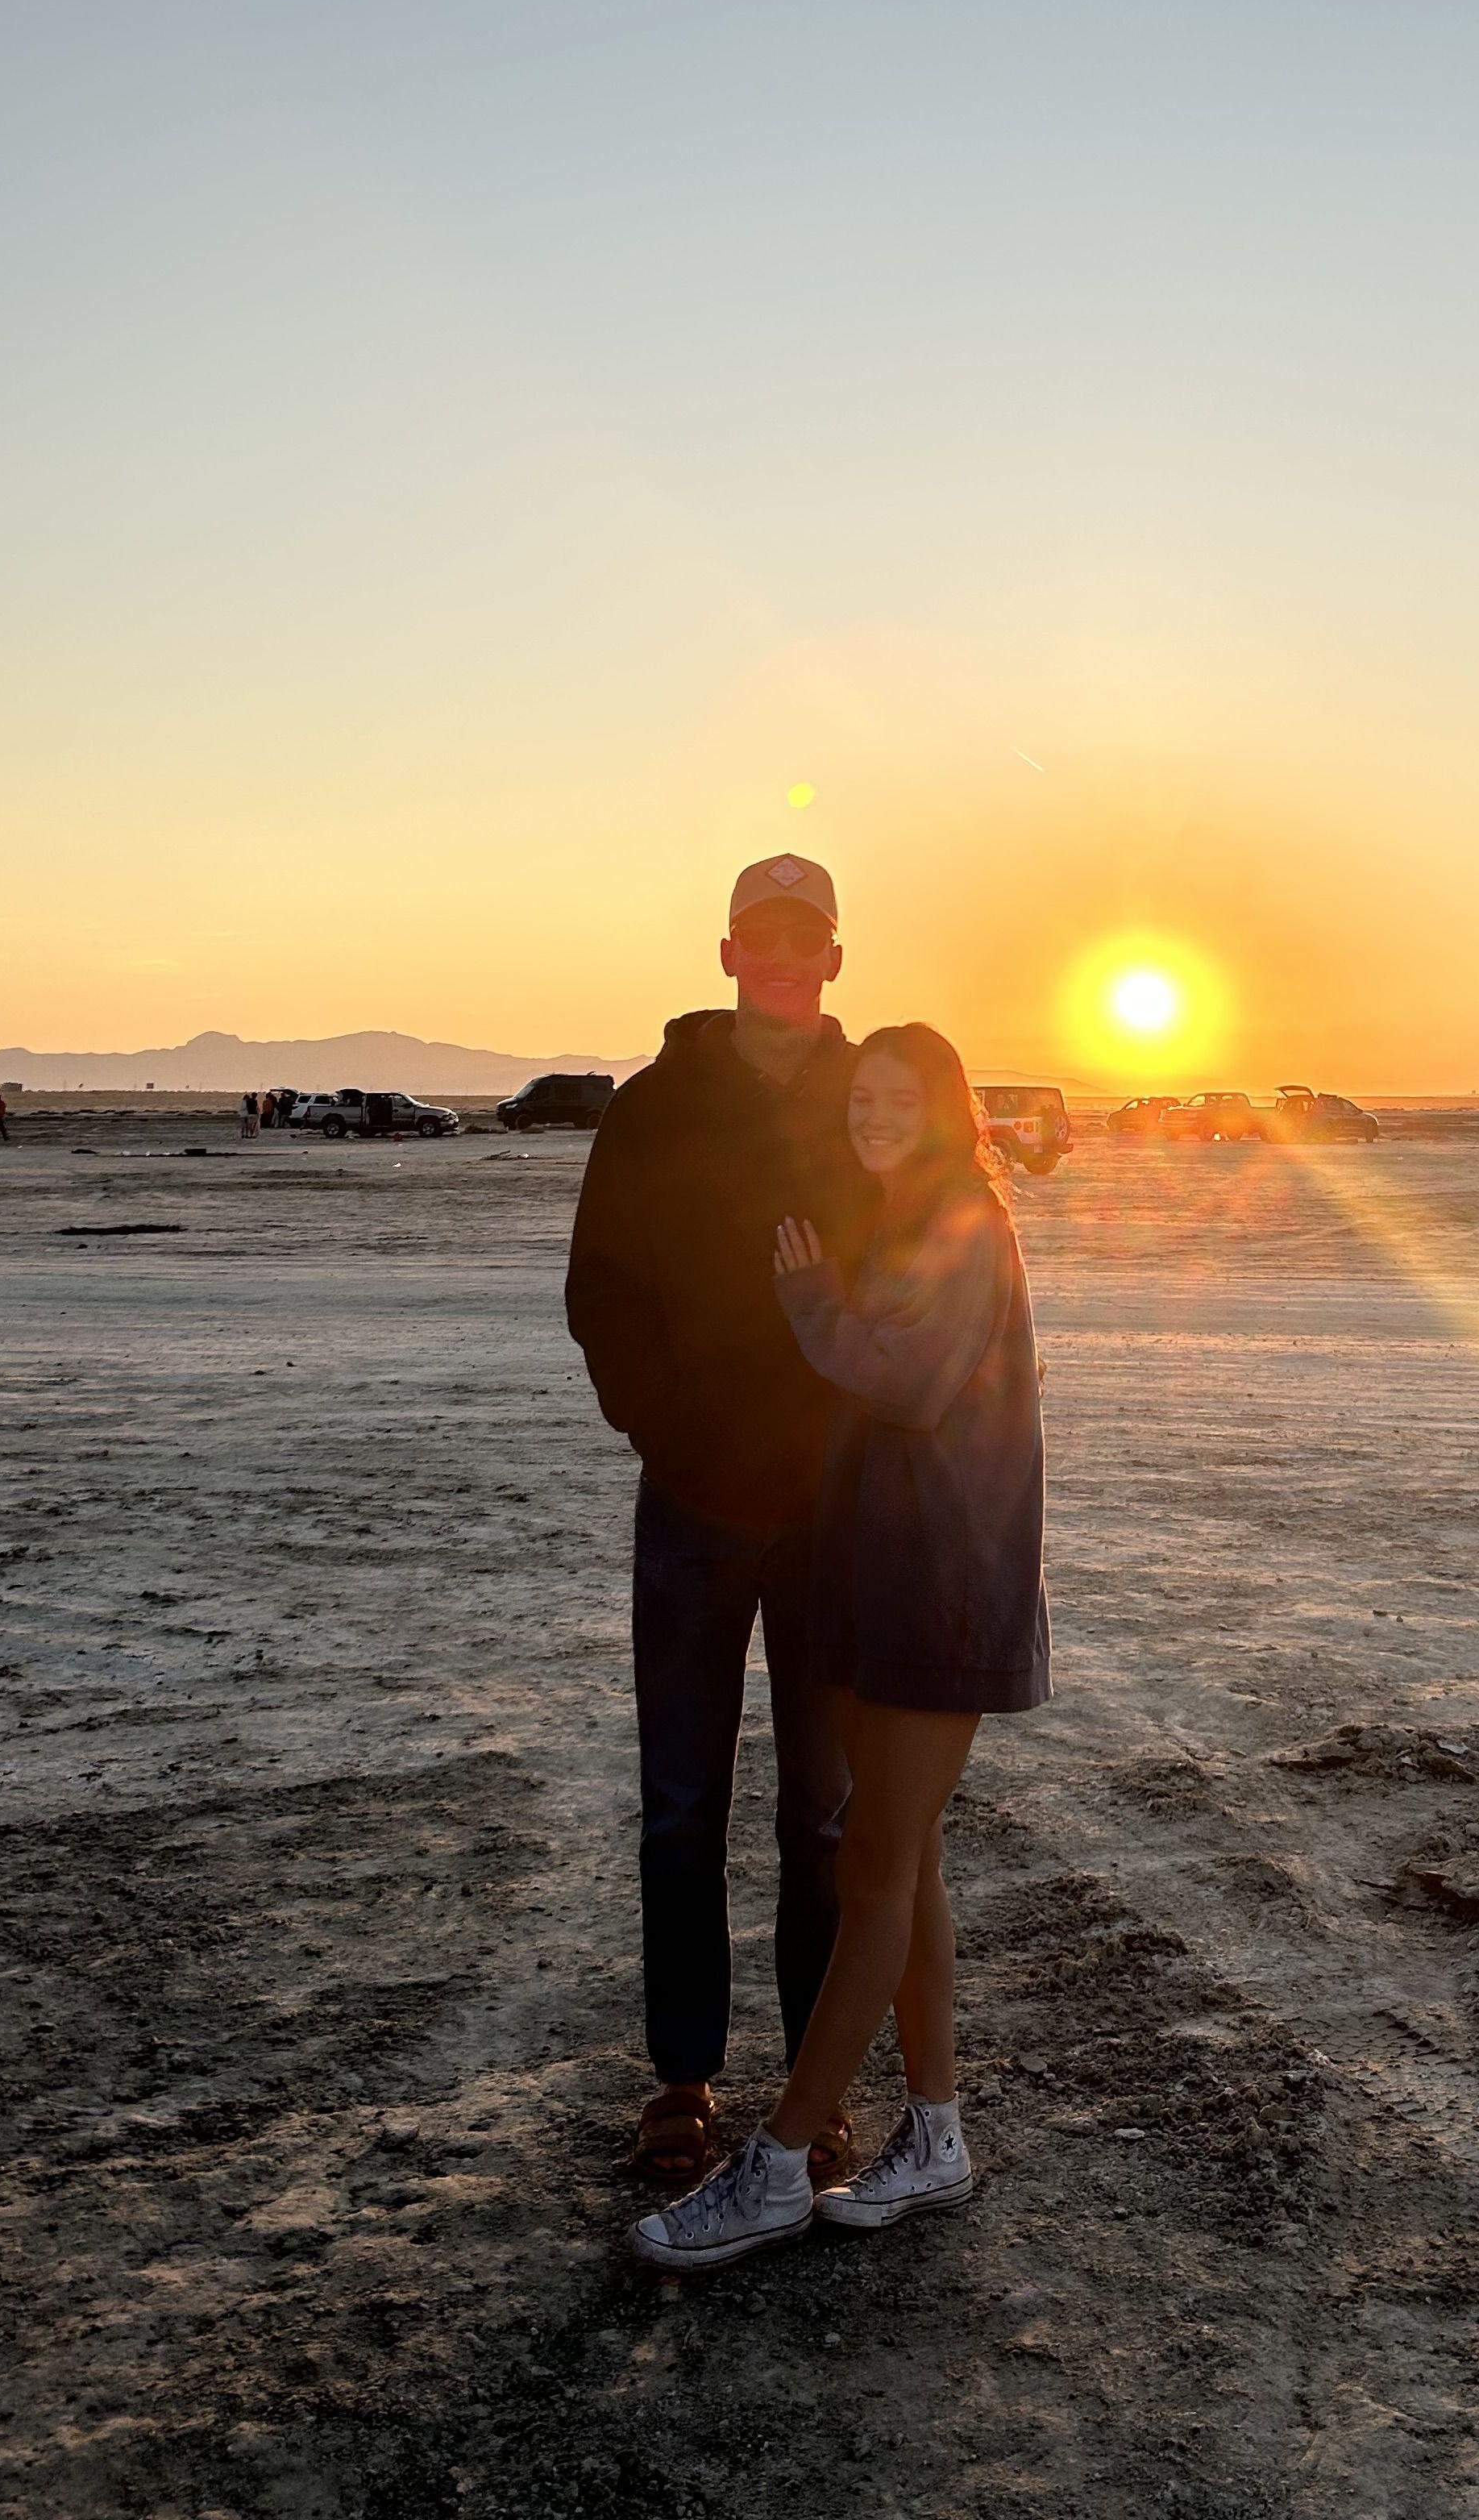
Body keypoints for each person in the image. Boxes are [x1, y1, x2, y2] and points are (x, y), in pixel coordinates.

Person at [629, 1020, 1050, 2274]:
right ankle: (935, 2135)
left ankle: (774, 2167)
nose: (874, 1115)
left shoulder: (962, 1220)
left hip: (940, 1584)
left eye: (899, 1098)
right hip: (881, 1574)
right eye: (861, 1096)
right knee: (909, 1866)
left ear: (945, 1110)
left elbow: (909, 1379)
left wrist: (812, 1303)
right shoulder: (905, 1212)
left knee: (871, 1872)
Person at [566, 855, 880, 2194]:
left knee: (825, 1814)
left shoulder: (870, 1101)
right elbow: (601, 1287)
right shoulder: (655, 1106)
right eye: (764, 937)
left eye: (807, 939)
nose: (785, 959)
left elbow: (922, 1265)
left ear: (834, 957)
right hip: (693, 1502)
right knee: (684, 1804)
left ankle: (815, 2087)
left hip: (833, 1513)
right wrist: (666, 1427)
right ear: (728, 952)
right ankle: (685, 2077)